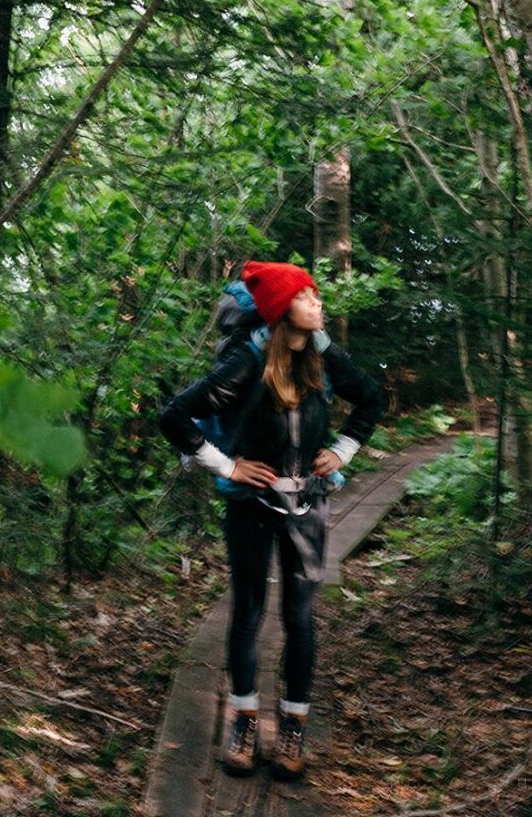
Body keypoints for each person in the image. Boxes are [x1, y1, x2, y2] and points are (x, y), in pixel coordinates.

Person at [158, 262, 385, 783]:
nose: (318, 304)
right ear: (285, 309)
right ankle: (241, 723)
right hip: (251, 506)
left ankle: (293, 728)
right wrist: (226, 464)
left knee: (300, 618)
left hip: (308, 504)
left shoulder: (325, 358)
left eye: (315, 295)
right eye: (307, 297)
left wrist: (345, 448)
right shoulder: (246, 363)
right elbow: (173, 415)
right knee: (248, 614)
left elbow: (373, 397)